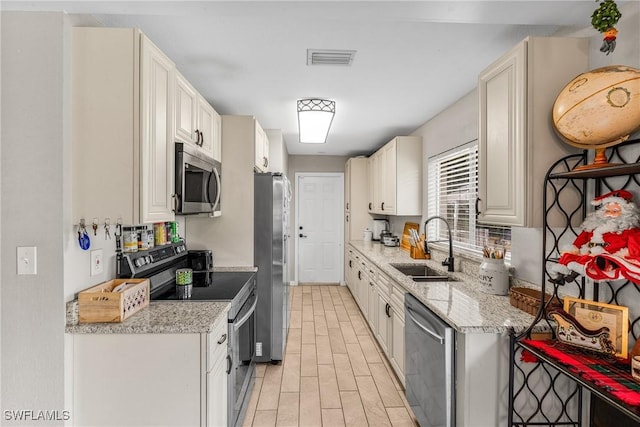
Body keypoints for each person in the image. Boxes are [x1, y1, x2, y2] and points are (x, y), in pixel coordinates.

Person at [552, 189, 640, 284]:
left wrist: (632, 257)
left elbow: (632, 244)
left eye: (615, 211)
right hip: (587, 249)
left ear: (626, 213)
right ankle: (560, 276)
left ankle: (574, 273)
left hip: (607, 253)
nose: (609, 214)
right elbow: (582, 238)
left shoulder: (628, 230)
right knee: (568, 256)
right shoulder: (594, 226)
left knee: (589, 260)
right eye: (607, 211)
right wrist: (574, 247)